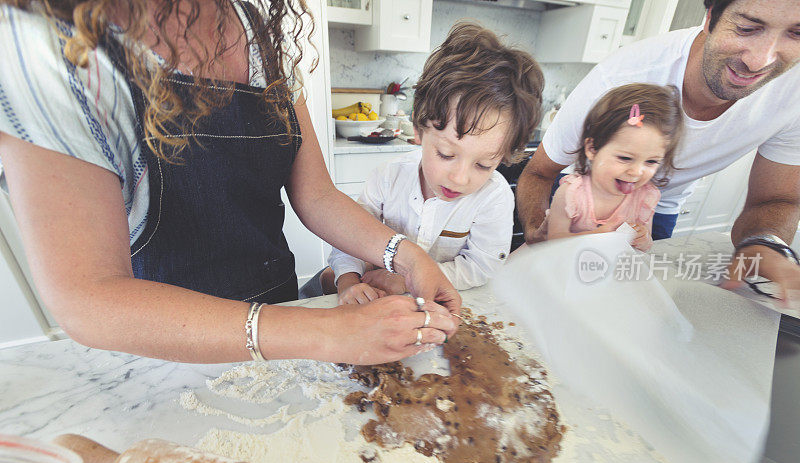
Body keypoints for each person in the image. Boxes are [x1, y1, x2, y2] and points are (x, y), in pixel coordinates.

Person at [0, 0, 460, 364]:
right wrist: (326, 333)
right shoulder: (49, 47)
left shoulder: (257, 27)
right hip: (171, 355)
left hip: (283, 319)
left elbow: (315, 194)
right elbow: (88, 297)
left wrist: (405, 253)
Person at [516, 0, 800, 303]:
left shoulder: (794, 94)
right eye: (746, 28)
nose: (760, 61)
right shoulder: (617, 78)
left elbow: (776, 199)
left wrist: (763, 244)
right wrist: (540, 234)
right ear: (711, 15)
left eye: (797, 34)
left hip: (657, 209)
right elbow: (538, 172)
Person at [299, 22, 543, 305]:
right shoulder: (387, 178)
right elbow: (347, 239)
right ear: (418, 129)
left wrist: (406, 280)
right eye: (446, 155)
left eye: (484, 165)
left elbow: (481, 267)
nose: (460, 178)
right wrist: (349, 282)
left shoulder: (495, 198)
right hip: (374, 296)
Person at [539, 84, 683, 253]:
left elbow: (644, 247)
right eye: (625, 158)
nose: (636, 172)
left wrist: (643, 240)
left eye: (651, 161)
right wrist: (597, 235)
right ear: (592, 149)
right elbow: (553, 243)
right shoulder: (571, 194)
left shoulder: (645, 197)